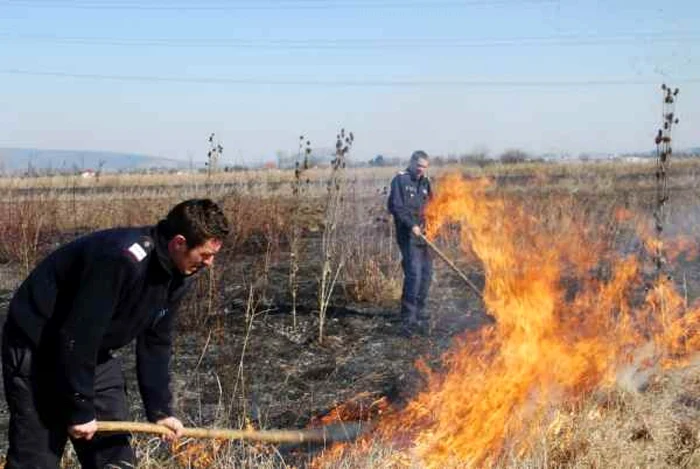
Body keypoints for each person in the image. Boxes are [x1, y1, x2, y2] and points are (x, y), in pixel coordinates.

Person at [1, 198, 230, 469]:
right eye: (205, 255)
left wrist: (160, 411)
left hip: (90, 352)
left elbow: (156, 343)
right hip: (37, 348)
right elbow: (79, 333)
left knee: (113, 458)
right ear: (179, 243)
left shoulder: (178, 274)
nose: (210, 263)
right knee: (36, 458)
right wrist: (80, 408)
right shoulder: (121, 260)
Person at [387, 150, 433, 334]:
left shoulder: (426, 182)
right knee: (414, 274)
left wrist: (433, 227)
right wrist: (411, 225)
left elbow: (432, 206)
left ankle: (420, 310)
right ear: (412, 162)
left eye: (425, 167)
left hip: (425, 235)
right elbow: (395, 207)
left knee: (427, 273)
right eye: (419, 166)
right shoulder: (400, 180)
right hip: (408, 234)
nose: (421, 170)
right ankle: (408, 316)